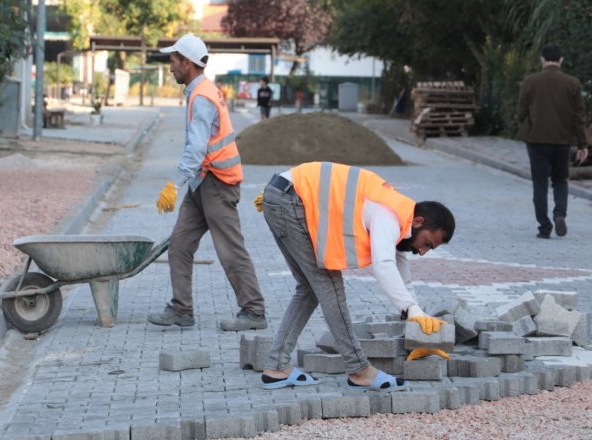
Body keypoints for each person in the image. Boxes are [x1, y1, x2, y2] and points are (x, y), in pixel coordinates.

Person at [253, 162, 455, 390]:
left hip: (282, 195)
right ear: (419, 222)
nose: (422, 251)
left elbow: (399, 266)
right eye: (427, 243)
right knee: (329, 284)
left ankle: (276, 367)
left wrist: (415, 315)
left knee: (309, 288)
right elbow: (384, 264)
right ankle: (359, 370)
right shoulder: (388, 213)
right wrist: (411, 310)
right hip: (289, 200)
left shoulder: (399, 213)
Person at [147, 33, 267, 331]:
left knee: (229, 249)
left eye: (174, 61)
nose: (170, 67)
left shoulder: (201, 97)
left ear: (187, 63)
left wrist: (174, 184)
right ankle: (181, 309)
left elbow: (197, 149)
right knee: (180, 244)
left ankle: (254, 311)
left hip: (217, 183)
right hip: (203, 183)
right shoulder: (199, 91)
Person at [517, 44, 586, 239]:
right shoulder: (573, 83)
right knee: (560, 181)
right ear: (561, 60)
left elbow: (521, 112)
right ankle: (559, 215)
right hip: (562, 141)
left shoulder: (530, 82)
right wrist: (582, 144)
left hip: (536, 141)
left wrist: (528, 126)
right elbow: (578, 116)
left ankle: (544, 226)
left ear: (542, 60)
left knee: (540, 184)